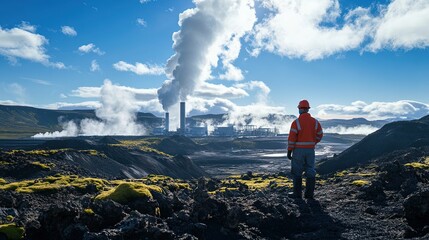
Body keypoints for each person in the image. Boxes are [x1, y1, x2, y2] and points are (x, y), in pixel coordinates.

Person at [287, 100, 323, 199]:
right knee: (310, 170)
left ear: (299, 109)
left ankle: (297, 194)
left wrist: (289, 150)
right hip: (310, 150)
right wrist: (313, 142)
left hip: (298, 151)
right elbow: (320, 135)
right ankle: (309, 195)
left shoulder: (296, 122)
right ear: (307, 109)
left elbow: (292, 138)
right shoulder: (315, 122)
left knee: (297, 171)